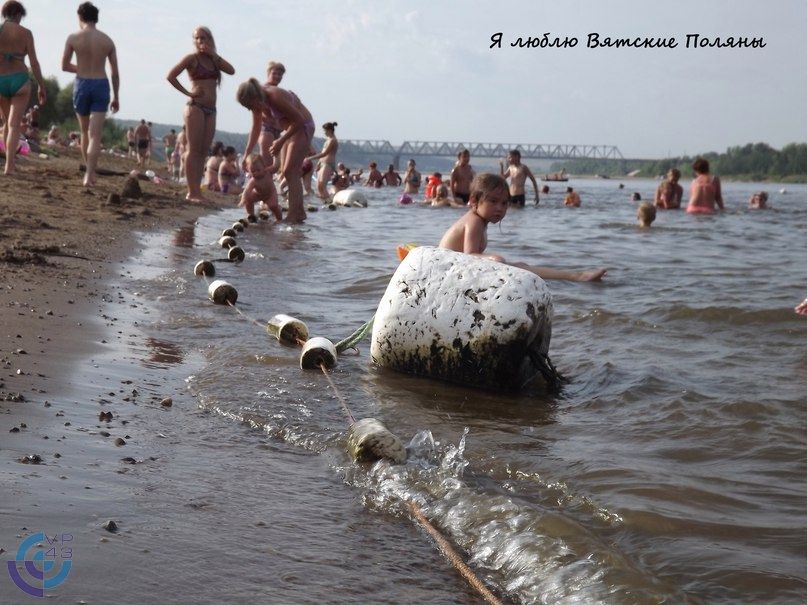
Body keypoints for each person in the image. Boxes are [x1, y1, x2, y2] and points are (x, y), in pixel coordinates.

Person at [439, 173, 607, 282]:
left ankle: (577, 276)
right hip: (443, 273)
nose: (500, 208)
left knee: (521, 266)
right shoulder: (474, 221)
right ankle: (577, 276)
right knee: (513, 266)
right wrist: (493, 259)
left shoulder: (479, 220)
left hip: (452, 269)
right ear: (475, 200)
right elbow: (470, 257)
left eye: (504, 203)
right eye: (493, 201)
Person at [167, 26, 234, 202]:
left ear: (210, 40)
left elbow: (231, 70)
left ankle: (197, 190)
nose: (200, 41)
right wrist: (188, 93)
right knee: (193, 150)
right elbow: (171, 76)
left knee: (203, 151)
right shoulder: (192, 58)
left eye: (203, 38)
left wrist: (213, 54)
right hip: (195, 107)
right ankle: (192, 192)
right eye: (197, 38)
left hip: (211, 110)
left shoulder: (214, 61)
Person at [237, 77, 314, 223]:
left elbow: (299, 120)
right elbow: (255, 128)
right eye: (247, 107)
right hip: (290, 131)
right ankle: (300, 212)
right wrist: (247, 152)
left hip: (303, 127)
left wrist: (280, 141)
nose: (251, 109)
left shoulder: (274, 96)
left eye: (250, 105)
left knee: (290, 171)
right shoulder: (257, 104)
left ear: (256, 97)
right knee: (288, 171)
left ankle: (292, 215)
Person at [61, 1, 119, 187]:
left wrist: (82, 67)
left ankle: (89, 172)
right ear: (96, 18)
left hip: (82, 83)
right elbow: (115, 73)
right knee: (95, 134)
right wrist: (116, 96)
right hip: (101, 84)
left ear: (80, 17)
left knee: (84, 131)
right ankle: (89, 174)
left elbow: (64, 65)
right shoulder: (107, 41)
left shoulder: (73, 37)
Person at [0, 1, 45, 175]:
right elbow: (34, 62)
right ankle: (9, 166)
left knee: (6, 124)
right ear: (18, 14)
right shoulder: (26, 33)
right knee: (14, 125)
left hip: (1, 79)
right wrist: (41, 86)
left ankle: (9, 164)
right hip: (19, 79)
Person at [239, 152, 281, 222]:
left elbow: (276, 167)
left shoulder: (267, 172)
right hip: (258, 194)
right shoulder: (253, 180)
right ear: (248, 170)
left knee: (273, 205)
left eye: (258, 170)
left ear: (264, 166)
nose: (256, 173)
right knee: (248, 198)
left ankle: (279, 219)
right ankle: (250, 214)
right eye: (252, 171)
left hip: (270, 194)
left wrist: (276, 155)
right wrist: (243, 199)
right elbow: (247, 190)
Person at [306, 121, 338, 198]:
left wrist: (309, 158)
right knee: (318, 186)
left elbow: (325, 153)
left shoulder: (333, 140)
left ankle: (328, 201)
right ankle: (322, 202)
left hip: (328, 164)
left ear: (329, 130)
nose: (324, 133)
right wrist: (319, 163)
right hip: (323, 164)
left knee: (323, 185)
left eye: (324, 131)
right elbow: (322, 153)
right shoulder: (328, 140)